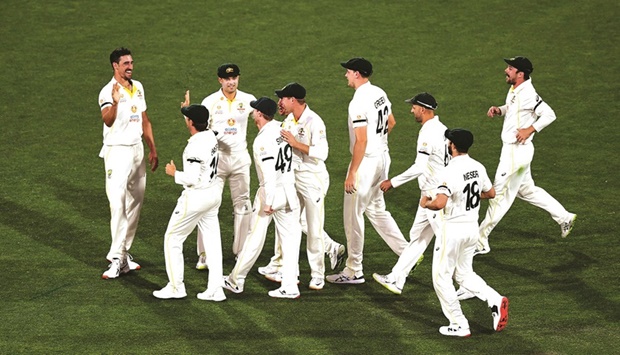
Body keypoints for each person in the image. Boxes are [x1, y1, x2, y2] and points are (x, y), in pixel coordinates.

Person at [476, 56, 577, 255]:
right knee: (526, 190)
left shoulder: (528, 93)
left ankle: (480, 241)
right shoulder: (516, 88)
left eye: (510, 68)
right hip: (516, 151)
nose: (506, 70)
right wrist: (500, 110)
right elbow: (515, 108)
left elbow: (549, 114)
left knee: (499, 196)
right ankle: (564, 217)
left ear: (520, 74)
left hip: (516, 152)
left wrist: (530, 129)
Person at [327, 58, 409, 284]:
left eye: (348, 72)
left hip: (366, 162)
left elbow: (361, 141)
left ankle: (354, 270)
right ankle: (408, 254)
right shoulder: (379, 92)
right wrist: (377, 145)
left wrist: (353, 171)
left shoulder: (358, 102)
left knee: (353, 216)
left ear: (356, 74)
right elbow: (391, 122)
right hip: (383, 157)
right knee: (376, 209)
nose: (345, 75)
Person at [420, 128, 508, 337]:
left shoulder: (449, 170)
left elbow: (440, 203)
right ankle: (494, 299)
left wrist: (427, 203)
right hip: (471, 229)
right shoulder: (477, 166)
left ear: (452, 145)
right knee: (463, 274)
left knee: (441, 278)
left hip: (452, 230)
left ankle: (459, 323)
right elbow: (491, 192)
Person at [256, 83, 343, 290]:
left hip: (312, 181)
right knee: (287, 225)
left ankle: (317, 274)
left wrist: (296, 144)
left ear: (293, 100)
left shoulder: (314, 122)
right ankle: (281, 265)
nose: (279, 102)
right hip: (292, 180)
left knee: (313, 227)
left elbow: (323, 153)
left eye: (283, 99)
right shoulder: (287, 120)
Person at [222, 97, 303, 299]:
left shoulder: (262, 140)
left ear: (259, 114)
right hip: (289, 190)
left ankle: (236, 280)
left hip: (272, 192)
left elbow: (268, 172)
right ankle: (290, 286)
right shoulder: (283, 128)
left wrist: (268, 201)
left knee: (254, 237)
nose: (252, 112)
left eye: (254, 110)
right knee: (291, 240)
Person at [372, 92, 449, 294]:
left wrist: (393, 182)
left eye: (414, 107)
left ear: (422, 109)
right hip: (430, 194)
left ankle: (469, 284)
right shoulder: (442, 129)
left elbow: (419, 167)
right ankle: (397, 279)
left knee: (447, 241)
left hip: (435, 196)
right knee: (417, 237)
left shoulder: (427, 133)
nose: (411, 110)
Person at [153, 101, 225, 301]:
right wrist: (187, 110)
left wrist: (174, 173)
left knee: (172, 238)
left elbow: (192, 178)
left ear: (192, 122)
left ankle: (176, 287)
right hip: (213, 194)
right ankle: (215, 289)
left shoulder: (194, 146)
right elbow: (202, 124)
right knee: (212, 243)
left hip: (197, 197)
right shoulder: (211, 134)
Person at [98, 47, 158, 279]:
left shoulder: (138, 87)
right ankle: (115, 258)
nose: (130, 66)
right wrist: (114, 103)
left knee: (136, 202)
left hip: (137, 151)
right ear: (115, 66)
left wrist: (152, 148)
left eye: (131, 62)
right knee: (118, 204)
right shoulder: (107, 91)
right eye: (125, 63)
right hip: (117, 152)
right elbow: (107, 120)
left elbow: (144, 119)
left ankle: (123, 254)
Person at [195, 63, 256, 269]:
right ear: (219, 80)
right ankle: (204, 254)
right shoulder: (209, 101)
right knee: (209, 204)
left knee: (243, 205)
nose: (231, 82)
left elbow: (262, 118)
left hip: (240, 158)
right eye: (227, 79)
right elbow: (200, 130)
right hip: (218, 159)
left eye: (234, 78)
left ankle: (240, 252)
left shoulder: (248, 100)